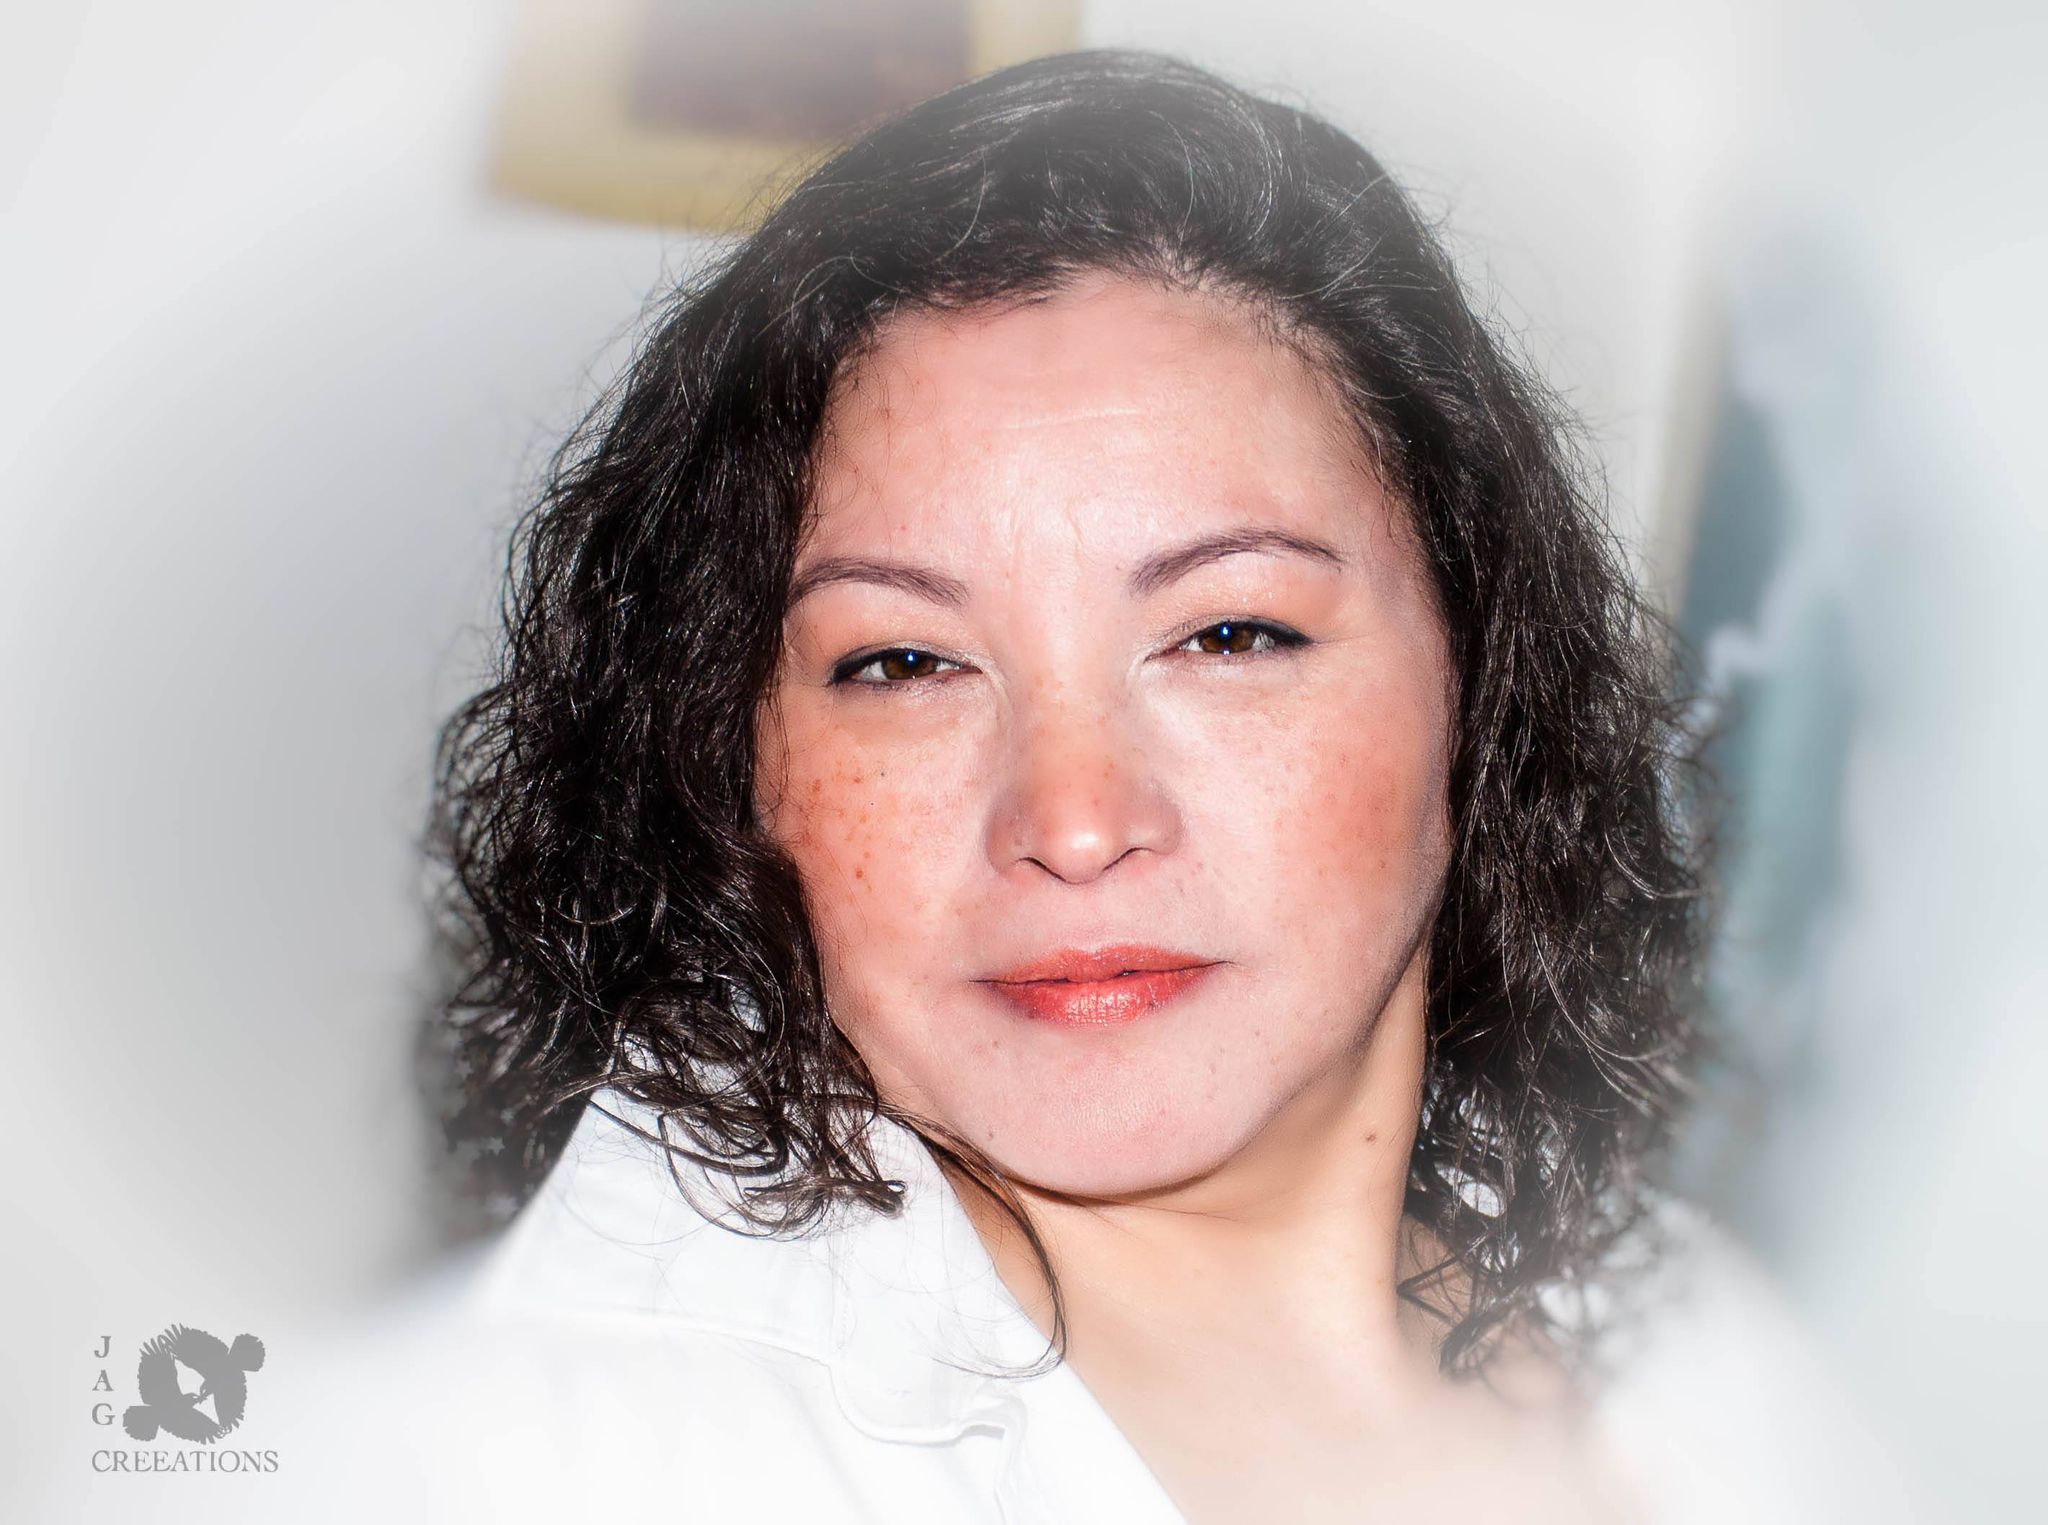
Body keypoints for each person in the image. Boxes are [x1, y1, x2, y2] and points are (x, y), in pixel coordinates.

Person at [242, 47, 1897, 1525]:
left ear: (1479, 669)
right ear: (732, 767)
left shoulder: (1710, 1353)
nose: (1077, 819)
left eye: (1228, 632)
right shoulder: (492, 1467)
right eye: (903, 662)